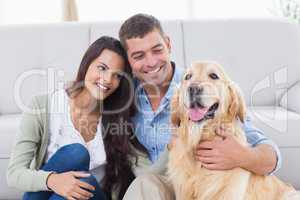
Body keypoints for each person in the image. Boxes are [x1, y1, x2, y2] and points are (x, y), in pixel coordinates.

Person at [118, 14, 282, 199]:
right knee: (145, 184)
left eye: (157, 50)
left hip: (206, 186)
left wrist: (242, 155)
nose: (151, 62)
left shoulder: (206, 91)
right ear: (128, 60)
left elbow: (270, 154)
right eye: (139, 56)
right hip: (165, 184)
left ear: (168, 44)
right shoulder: (122, 94)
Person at [7, 36, 142, 200]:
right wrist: (53, 180)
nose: (107, 79)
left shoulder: (117, 119)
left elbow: (145, 168)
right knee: (76, 154)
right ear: (86, 65)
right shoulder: (41, 106)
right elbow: (14, 174)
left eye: (117, 76)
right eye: (102, 68)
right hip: (50, 195)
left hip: (95, 196)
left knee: (83, 180)